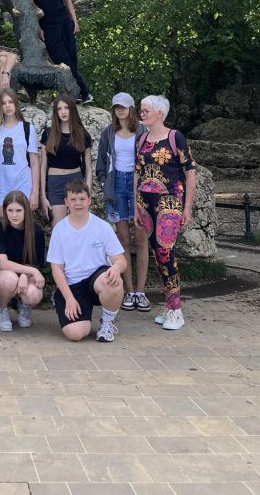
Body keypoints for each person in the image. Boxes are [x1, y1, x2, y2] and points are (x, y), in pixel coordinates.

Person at [136, 95, 197, 330]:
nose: (141, 114)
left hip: (169, 202)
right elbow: (137, 173)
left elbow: (190, 173)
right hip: (145, 203)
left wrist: (187, 207)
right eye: (141, 110)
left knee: (165, 252)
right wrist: (135, 205)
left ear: (159, 113)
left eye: (146, 110)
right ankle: (170, 305)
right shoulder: (142, 139)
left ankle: (176, 309)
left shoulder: (175, 137)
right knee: (157, 254)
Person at [47, 179, 126, 343]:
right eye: (73, 199)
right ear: (66, 202)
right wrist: (69, 298)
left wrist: (116, 268)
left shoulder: (102, 226)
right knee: (76, 334)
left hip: (96, 280)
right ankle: (61, 299)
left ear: (89, 200)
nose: (78, 203)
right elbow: (56, 269)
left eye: (82, 199)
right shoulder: (59, 230)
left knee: (113, 282)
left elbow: (121, 260)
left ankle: (107, 323)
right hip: (72, 285)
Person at [96, 93, 150, 312]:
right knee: (123, 240)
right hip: (116, 184)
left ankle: (141, 291)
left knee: (141, 239)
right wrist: (104, 183)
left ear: (131, 109)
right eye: (116, 107)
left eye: (124, 106)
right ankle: (129, 291)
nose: (120, 110)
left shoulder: (143, 132)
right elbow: (101, 162)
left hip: (138, 185)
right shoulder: (108, 132)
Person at [24, 0, 92, 104]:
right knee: (63, 62)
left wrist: (75, 21)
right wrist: (38, 28)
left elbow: (67, 0)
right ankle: (85, 92)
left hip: (66, 24)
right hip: (48, 28)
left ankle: (74, 94)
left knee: (73, 60)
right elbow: (30, 9)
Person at [0, 189, 46, 332]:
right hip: (1, 275)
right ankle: (2, 309)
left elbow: (37, 263)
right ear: (5, 210)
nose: (14, 215)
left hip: (26, 274)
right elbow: (3, 264)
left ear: (26, 210)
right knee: (10, 279)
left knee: (34, 294)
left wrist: (25, 275)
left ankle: (23, 305)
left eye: (19, 210)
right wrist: (30, 271)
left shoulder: (36, 231)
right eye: (10, 210)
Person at [0, 88, 40, 216]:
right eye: (3, 103)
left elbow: (34, 163)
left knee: (23, 224)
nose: (7, 106)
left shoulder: (27, 128)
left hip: (24, 183)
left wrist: (35, 192)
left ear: (16, 103)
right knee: (3, 223)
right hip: (0, 185)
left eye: (10, 102)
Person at [40, 94, 92, 227]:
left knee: (78, 225)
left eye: (66, 108)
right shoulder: (48, 134)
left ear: (72, 109)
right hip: (55, 183)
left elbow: (88, 168)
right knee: (58, 227)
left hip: (76, 181)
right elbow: (43, 166)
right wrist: (42, 195)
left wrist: (87, 192)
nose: (63, 112)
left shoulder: (82, 134)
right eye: (59, 108)